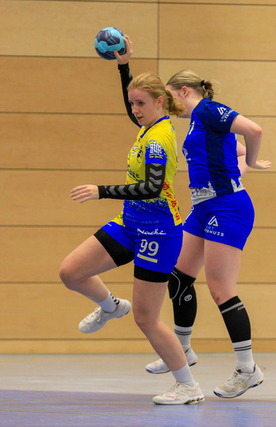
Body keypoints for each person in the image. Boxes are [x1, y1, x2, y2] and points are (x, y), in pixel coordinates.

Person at [114, 37, 272, 399]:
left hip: (227, 208)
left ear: (185, 92)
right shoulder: (198, 124)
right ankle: (183, 349)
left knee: (220, 288)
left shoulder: (208, 110)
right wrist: (125, 67)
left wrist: (248, 164)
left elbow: (254, 131)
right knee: (179, 276)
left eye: (171, 99)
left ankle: (247, 368)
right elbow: (234, 149)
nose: (170, 107)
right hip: (203, 207)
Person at [58, 61, 204, 404]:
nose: (135, 110)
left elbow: (152, 188)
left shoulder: (158, 139)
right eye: (132, 103)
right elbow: (135, 105)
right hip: (130, 224)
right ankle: (110, 307)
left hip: (159, 233)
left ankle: (188, 386)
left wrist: (101, 191)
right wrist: (123, 66)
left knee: (146, 318)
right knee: (71, 271)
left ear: (159, 102)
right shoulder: (148, 125)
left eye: (140, 103)